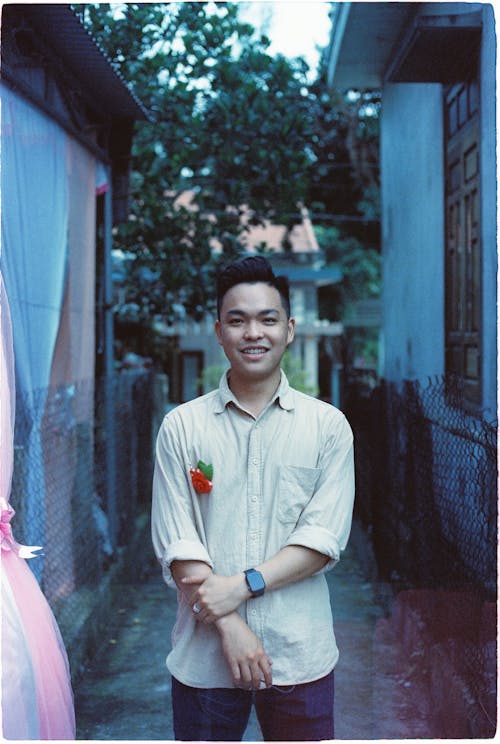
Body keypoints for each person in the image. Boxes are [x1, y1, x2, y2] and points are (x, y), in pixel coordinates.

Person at [151, 255, 355, 741]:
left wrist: (241, 587)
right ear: (218, 331)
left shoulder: (328, 427)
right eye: (237, 320)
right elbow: (178, 543)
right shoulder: (182, 426)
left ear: (289, 329)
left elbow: (322, 540)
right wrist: (233, 627)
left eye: (267, 319)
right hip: (205, 659)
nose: (253, 333)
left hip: (298, 654)